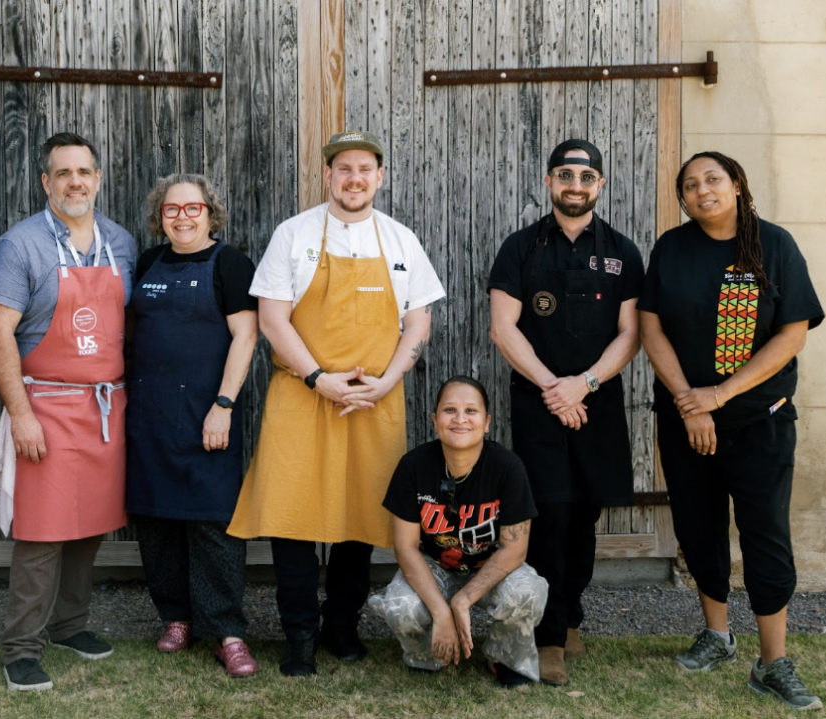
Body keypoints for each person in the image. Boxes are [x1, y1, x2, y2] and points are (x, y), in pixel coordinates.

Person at [228, 131, 446, 676]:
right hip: (300, 395)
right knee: (292, 519)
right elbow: (272, 319)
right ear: (328, 175)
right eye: (344, 168)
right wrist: (317, 377)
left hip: (374, 400)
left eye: (365, 169)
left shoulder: (401, 240)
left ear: (380, 177)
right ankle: (299, 634)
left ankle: (342, 625)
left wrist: (387, 380)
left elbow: (418, 321)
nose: (354, 178)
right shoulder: (293, 233)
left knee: (362, 517)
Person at [639, 151, 825, 711]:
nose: (703, 190)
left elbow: (792, 334)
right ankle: (717, 635)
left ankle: (772, 663)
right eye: (690, 185)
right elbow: (651, 327)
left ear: (738, 185)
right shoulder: (672, 249)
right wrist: (691, 406)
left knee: (765, 533)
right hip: (687, 422)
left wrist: (718, 397)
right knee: (698, 528)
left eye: (713, 179)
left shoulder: (775, 245)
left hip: (759, 422)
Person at [0, 132, 136, 692]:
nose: (75, 182)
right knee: (42, 534)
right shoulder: (19, 245)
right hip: (44, 406)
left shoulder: (121, 242)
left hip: (104, 408)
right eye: (63, 173)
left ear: (98, 179)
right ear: (46, 182)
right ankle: (21, 648)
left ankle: (70, 625)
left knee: (90, 526)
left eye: (84, 172)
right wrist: (20, 414)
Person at [488, 139, 643, 685]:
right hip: (539, 403)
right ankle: (548, 637)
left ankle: (572, 617)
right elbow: (503, 328)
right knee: (549, 516)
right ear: (549, 181)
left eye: (586, 176)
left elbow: (631, 333)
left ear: (600, 184)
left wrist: (585, 384)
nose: (576, 185)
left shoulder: (622, 251)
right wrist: (555, 388)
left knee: (584, 517)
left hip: (597, 403)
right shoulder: (520, 247)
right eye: (565, 175)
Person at [126, 174, 260, 677]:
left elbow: (246, 337)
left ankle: (228, 632)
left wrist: (223, 404)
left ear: (209, 212)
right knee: (156, 523)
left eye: (192, 208)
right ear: (159, 216)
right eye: (171, 209)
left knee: (214, 523)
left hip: (208, 415)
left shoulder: (230, 263)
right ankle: (176, 618)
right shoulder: (147, 263)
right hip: (151, 415)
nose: (182, 217)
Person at [369, 376, 547, 687]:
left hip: (488, 565)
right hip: (434, 566)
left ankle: (503, 655)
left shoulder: (508, 468)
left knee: (527, 592)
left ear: (487, 422)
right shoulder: (413, 467)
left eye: (471, 411)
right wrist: (441, 612)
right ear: (435, 420)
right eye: (449, 410)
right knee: (400, 606)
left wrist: (462, 600)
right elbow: (406, 547)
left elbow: (515, 549)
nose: (460, 419)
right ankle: (431, 653)